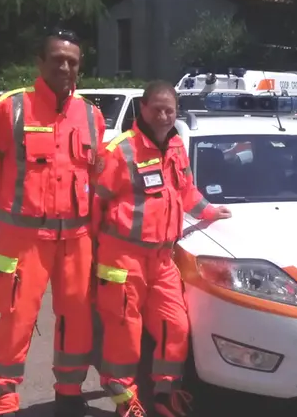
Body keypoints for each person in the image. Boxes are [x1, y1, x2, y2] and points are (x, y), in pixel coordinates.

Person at [0, 28, 105, 417]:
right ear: (40, 63)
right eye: (57, 59)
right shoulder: (12, 108)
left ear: (79, 67)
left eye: (72, 61)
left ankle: (69, 389)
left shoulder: (92, 116)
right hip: (24, 237)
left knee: (76, 313)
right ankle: (5, 397)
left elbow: (97, 175)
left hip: (76, 238)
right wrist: (4, 199)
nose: (64, 66)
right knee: (16, 314)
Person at [92, 80, 231, 417]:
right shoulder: (120, 151)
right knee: (125, 333)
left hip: (162, 259)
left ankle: (164, 394)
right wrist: (93, 257)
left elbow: (185, 192)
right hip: (122, 259)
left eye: (170, 110)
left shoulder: (175, 147)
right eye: (158, 109)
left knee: (176, 327)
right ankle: (126, 400)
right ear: (143, 108)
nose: (164, 116)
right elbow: (94, 206)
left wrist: (211, 213)